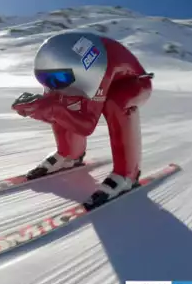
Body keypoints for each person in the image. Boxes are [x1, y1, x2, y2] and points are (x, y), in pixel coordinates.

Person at [11, 30, 153, 206]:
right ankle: (70, 153)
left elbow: (87, 125)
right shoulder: (66, 71)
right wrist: (37, 110)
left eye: (59, 78)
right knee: (61, 98)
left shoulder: (95, 67)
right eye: (45, 79)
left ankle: (127, 174)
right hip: (90, 73)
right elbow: (56, 107)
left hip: (133, 82)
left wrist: (52, 109)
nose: (52, 85)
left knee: (116, 102)